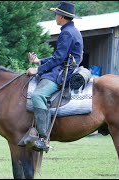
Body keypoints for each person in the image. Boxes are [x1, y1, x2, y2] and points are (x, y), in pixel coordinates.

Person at [26, 1, 83, 152]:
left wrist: (37, 70)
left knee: (38, 95)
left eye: (56, 14)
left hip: (63, 73)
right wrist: (39, 61)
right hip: (63, 66)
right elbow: (60, 56)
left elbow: (58, 59)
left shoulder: (66, 33)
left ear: (62, 16)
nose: (55, 16)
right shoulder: (72, 30)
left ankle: (43, 138)